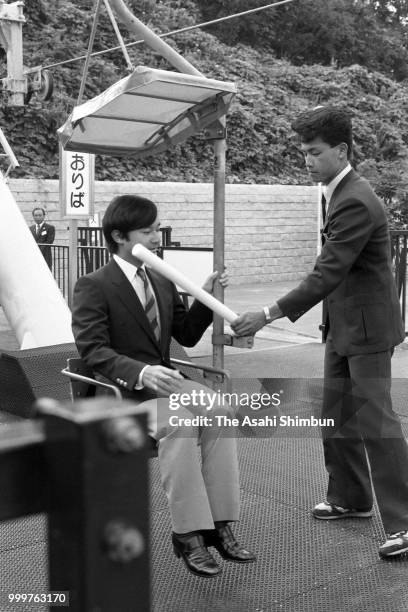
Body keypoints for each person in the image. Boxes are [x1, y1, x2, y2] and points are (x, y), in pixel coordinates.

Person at [231, 105, 408, 559]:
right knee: (337, 414)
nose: (306, 160)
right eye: (303, 152)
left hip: (367, 331)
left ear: (341, 150)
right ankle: (351, 498)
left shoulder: (355, 198)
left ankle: (405, 523)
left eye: (314, 152)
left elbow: (326, 273)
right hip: (345, 326)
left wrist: (267, 313)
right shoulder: (337, 190)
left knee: (375, 422)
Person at [72, 194, 256, 577]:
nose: (157, 237)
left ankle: (218, 525)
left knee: (222, 411)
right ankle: (187, 534)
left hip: (169, 381)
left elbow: (187, 336)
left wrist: (205, 295)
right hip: (124, 392)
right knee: (180, 423)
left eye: (157, 228)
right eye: (148, 230)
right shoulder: (93, 285)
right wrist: (140, 372)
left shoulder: (161, 277)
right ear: (120, 236)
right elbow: (92, 349)